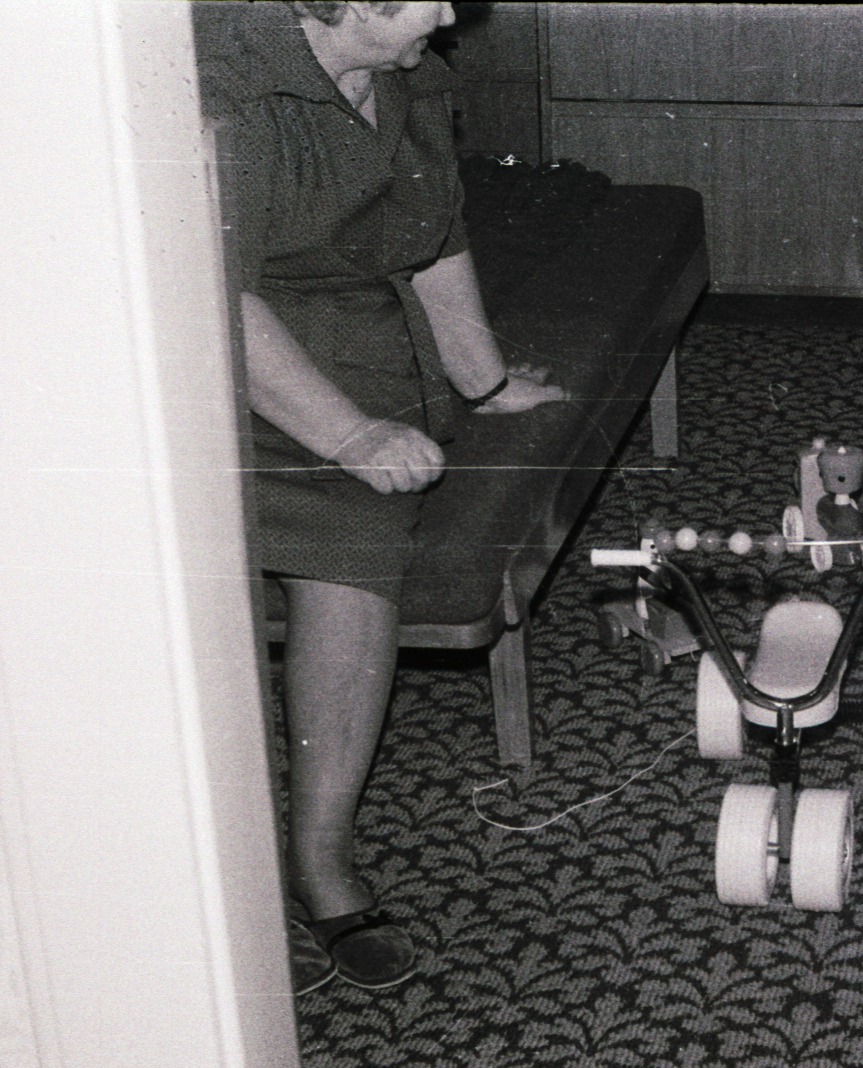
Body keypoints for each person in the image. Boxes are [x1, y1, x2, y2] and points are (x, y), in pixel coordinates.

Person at [200, 1, 566, 993]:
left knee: (381, 491)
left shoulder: (413, 70)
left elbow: (435, 236)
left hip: (360, 342)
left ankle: (308, 849)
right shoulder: (219, 87)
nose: (449, 13)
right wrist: (349, 435)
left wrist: (482, 381)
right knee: (352, 542)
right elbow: (207, 294)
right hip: (220, 363)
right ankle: (323, 871)